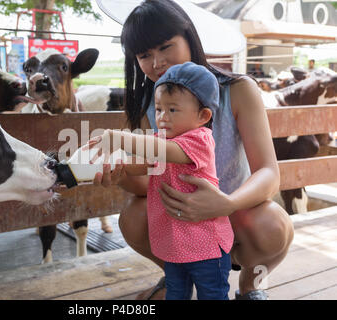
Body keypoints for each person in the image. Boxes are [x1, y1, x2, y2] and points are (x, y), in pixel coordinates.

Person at [91, 0, 294, 300]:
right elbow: (154, 176)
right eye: (144, 55)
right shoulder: (152, 105)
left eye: (165, 46)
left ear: (189, 37)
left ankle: (251, 285)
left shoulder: (238, 90)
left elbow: (268, 172)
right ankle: (177, 272)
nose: (157, 62)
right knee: (132, 216)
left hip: (235, 213)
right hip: (182, 217)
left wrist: (226, 203)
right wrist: (119, 174)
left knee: (273, 225)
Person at [86, 62, 233, 300]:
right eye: (158, 109)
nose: (162, 117)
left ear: (203, 115)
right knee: (175, 292)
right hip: (175, 245)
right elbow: (146, 164)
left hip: (206, 247)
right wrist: (119, 168)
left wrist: (117, 138)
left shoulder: (200, 140)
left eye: (172, 110)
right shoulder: (162, 141)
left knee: (213, 294)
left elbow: (159, 151)